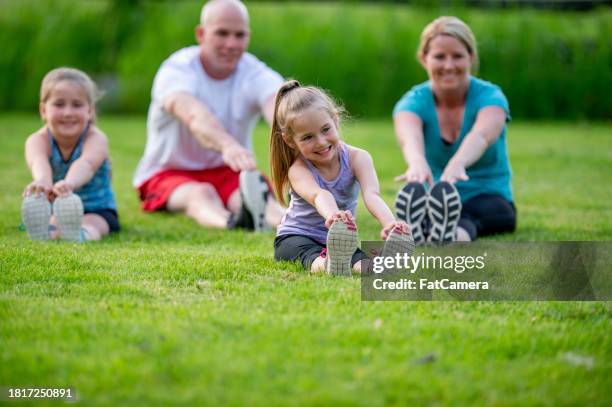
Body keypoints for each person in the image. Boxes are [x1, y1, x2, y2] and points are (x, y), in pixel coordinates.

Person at [132, 0, 284, 231]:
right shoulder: (177, 69)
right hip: (167, 172)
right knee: (200, 194)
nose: (231, 44)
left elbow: (280, 111)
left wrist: (296, 135)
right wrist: (228, 146)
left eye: (239, 35)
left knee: (261, 201)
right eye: (222, 33)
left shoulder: (256, 72)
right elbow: (195, 116)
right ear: (201, 34)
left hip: (228, 172)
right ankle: (230, 223)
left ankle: (291, 224)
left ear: (248, 37)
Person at [393, 16, 516, 244]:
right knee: (435, 213)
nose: (449, 65)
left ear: (471, 57)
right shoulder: (411, 103)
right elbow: (409, 137)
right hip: (436, 197)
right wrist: (417, 162)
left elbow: (481, 135)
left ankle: (446, 235)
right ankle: (422, 230)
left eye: (457, 56)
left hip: (487, 194)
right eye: (440, 57)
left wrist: (458, 162)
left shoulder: (492, 98)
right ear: (424, 58)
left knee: (469, 213)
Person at [271, 80, 413, 275]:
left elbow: (372, 195)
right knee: (310, 256)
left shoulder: (358, 158)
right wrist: (333, 216)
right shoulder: (298, 169)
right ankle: (327, 263)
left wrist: (390, 223)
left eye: (325, 129)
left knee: (358, 258)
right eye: (307, 137)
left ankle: (380, 267)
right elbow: (317, 194)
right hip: (297, 237)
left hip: (339, 240)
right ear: (289, 140)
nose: (320, 142)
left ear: (335, 120)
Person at [21, 67, 120, 242]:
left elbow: (87, 164)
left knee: (93, 225)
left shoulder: (96, 138)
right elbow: (38, 162)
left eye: (77, 105)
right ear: (43, 110)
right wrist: (43, 181)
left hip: (97, 208)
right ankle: (44, 233)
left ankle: (81, 235)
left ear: (90, 111)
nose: (68, 113)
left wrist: (69, 183)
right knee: (54, 223)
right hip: (57, 207)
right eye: (59, 104)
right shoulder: (38, 140)